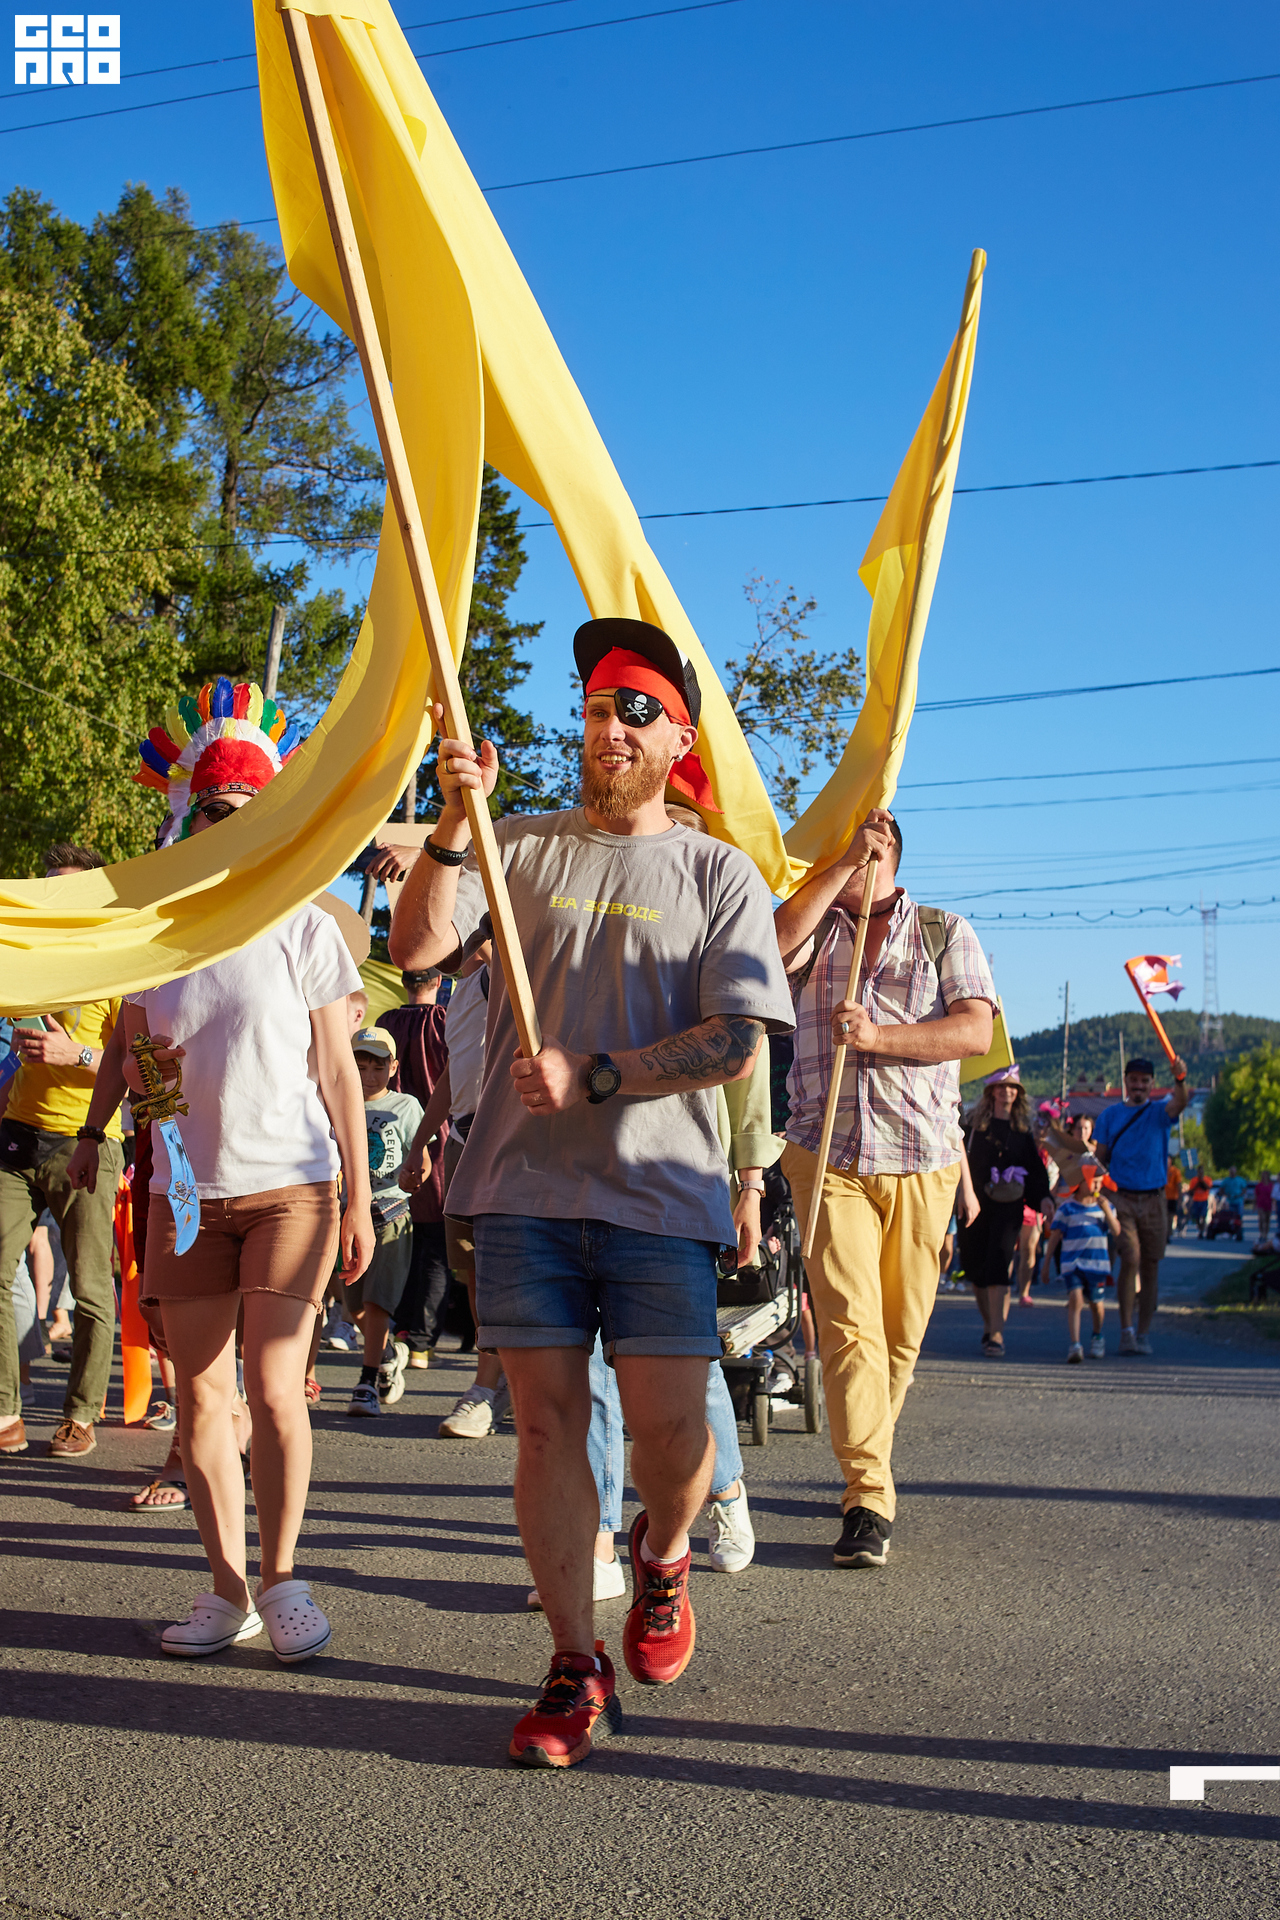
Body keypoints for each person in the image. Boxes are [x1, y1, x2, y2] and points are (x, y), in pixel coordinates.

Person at [388, 616, 795, 1768]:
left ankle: (662, 1555)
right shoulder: (512, 844)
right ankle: (574, 1660)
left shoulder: (716, 872)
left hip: (660, 1194)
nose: (608, 726)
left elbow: (735, 1041)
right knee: (545, 1427)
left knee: (669, 1430)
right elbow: (417, 949)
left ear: (677, 742)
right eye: (596, 706)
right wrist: (453, 826)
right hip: (521, 1190)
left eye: (635, 710)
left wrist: (599, 1074)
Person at [69, 677, 374, 1662]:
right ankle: (227, 1590)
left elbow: (337, 1068)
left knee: (275, 1389)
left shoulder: (304, 925)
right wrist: (100, 1127)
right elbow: (127, 1048)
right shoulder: (160, 936)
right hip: (186, 1195)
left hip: (293, 1189)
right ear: (186, 819)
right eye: (212, 808)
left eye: (246, 807)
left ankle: (284, 1579)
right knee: (201, 1397)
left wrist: (360, 1200)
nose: (228, 822)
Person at [773, 808, 997, 1568]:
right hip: (825, 1154)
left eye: (856, 845)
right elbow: (766, 950)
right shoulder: (813, 929)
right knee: (849, 1330)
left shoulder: (944, 930)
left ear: (888, 850)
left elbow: (972, 1033)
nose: (837, 855)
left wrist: (878, 1037)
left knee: (898, 1337)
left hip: (923, 1159)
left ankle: (869, 1456)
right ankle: (868, 1496)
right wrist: (839, 867)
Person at [0, 843, 126, 1457]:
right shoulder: (29, 958)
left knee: (90, 1287)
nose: (55, 897)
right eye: (48, 886)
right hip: (16, 1133)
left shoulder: (120, 962)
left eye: (68, 887)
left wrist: (73, 1054)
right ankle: (5, 1411)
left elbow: (136, 1065)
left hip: (88, 1139)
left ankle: (80, 1415)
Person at [344, 1027, 423, 1417]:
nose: (369, 1075)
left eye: (378, 1067)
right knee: (352, 1305)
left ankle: (367, 1382)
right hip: (345, 1215)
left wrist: (417, 1174)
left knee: (377, 1303)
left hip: (390, 1212)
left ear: (393, 1067)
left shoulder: (405, 1106)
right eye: (361, 1066)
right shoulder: (337, 1102)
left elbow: (419, 1155)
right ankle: (389, 1352)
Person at [1092, 1053, 1189, 1356]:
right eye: (1133, 1080)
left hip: (1155, 1199)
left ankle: (1143, 1332)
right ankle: (1126, 1331)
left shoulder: (1160, 1112)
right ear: (1125, 1081)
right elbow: (1099, 1160)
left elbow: (1181, 1102)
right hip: (1122, 1197)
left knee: (1150, 1266)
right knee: (1130, 1258)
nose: (1138, 1085)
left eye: (1144, 1081)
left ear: (1151, 1083)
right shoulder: (1109, 1116)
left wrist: (1180, 1079)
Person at [376, 969, 450, 1364]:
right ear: (438, 981)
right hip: (438, 1140)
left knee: (401, 1238)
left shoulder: (385, 1023)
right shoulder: (445, 1020)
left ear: (404, 982)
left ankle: (399, 1328)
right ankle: (420, 1342)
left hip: (389, 1137)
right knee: (435, 1245)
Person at [959, 1068, 1054, 1355]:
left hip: (1008, 1207)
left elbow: (1036, 1172)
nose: (1007, 1091)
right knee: (977, 1271)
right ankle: (990, 1325)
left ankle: (997, 1334)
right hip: (974, 1205)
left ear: (1018, 1095)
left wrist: (1044, 1198)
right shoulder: (973, 1128)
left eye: (1012, 1087)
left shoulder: (1022, 1132)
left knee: (999, 1265)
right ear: (991, 1092)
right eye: (1001, 1087)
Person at [1044, 1166, 1119, 1361]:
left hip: (1097, 1264)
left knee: (1097, 1304)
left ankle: (1097, 1335)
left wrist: (1107, 1213)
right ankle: (1075, 1344)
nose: (1097, 1186)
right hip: (1073, 1264)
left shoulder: (1106, 1207)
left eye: (1100, 1183)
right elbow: (1055, 1236)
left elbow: (1116, 1231)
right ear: (1080, 1182)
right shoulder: (1067, 1208)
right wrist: (1046, 1263)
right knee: (1075, 1299)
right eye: (1093, 1182)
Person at [1188, 1169, 1213, 1238]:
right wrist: (1197, 1184)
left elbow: (1208, 1188)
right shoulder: (1194, 1180)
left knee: (1203, 1216)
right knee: (1197, 1217)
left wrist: (1202, 1182)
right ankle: (1200, 1228)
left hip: (1204, 1200)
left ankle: (1202, 1231)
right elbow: (1191, 1191)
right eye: (1199, 1172)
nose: (1200, 1174)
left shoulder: (1207, 1179)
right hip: (1196, 1200)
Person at [1255, 1171, 1275, 1247]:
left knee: (1267, 1220)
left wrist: (1274, 1205)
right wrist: (1254, 1205)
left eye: (1266, 1175)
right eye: (1263, 1175)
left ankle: (1265, 1234)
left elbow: (1274, 1196)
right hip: (1261, 1204)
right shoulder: (1259, 1185)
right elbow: (1256, 1195)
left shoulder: (1271, 1185)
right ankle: (1262, 1234)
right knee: (1262, 1219)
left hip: (1268, 1204)